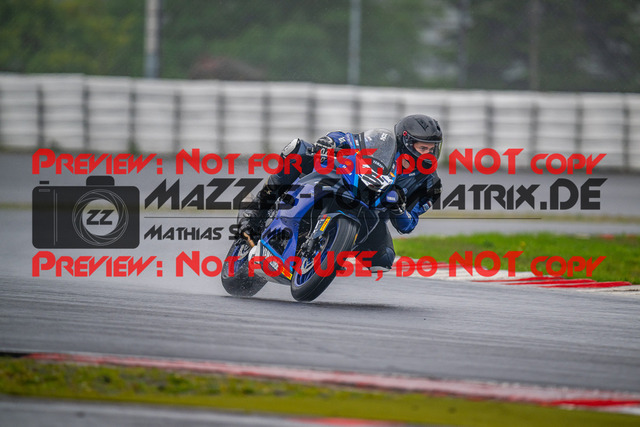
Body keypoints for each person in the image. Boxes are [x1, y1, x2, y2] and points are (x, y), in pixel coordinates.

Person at [238, 114, 443, 271]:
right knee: (298, 149)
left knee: (384, 258)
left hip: (371, 214)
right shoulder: (383, 141)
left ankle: (334, 250)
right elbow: (350, 139)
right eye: (422, 148)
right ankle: (258, 208)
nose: (428, 154)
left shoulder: (430, 184)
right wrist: (331, 141)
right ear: (406, 143)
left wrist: (399, 210)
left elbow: (408, 225)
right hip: (347, 182)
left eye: (431, 149)